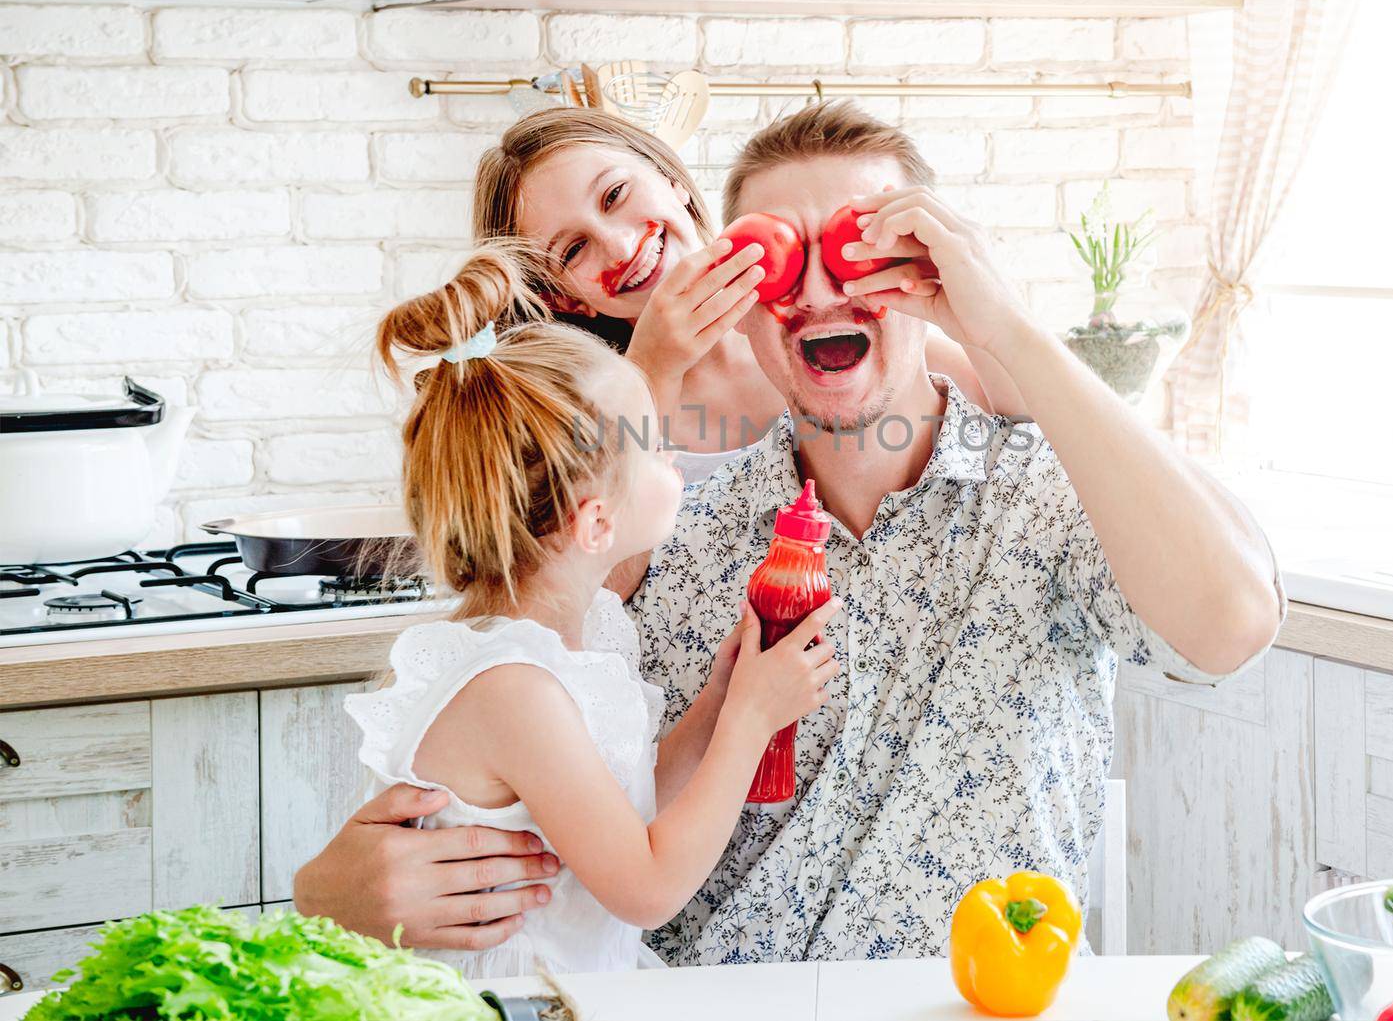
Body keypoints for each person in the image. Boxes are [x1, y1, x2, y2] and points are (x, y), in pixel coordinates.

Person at [296, 102, 1283, 963]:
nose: (814, 289)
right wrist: (332, 891)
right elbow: (503, 705)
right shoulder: (635, 524)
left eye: (858, 252)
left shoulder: (1032, 480)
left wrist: (1007, 326)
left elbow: (1228, 623)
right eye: (783, 261)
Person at [342, 244, 839, 975]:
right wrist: (750, 721)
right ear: (596, 523)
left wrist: (717, 703)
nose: (672, 456)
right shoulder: (510, 688)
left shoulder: (578, 639)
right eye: (652, 445)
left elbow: (618, 808)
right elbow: (646, 887)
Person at [469, 107, 1019, 485]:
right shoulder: (579, 415)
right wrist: (649, 373)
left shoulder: (821, 320)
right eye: (573, 251)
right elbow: (598, 597)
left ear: (672, 181)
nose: (618, 246)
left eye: (615, 194)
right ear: (565, 300)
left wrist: (988, 303)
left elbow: (1025, 427)